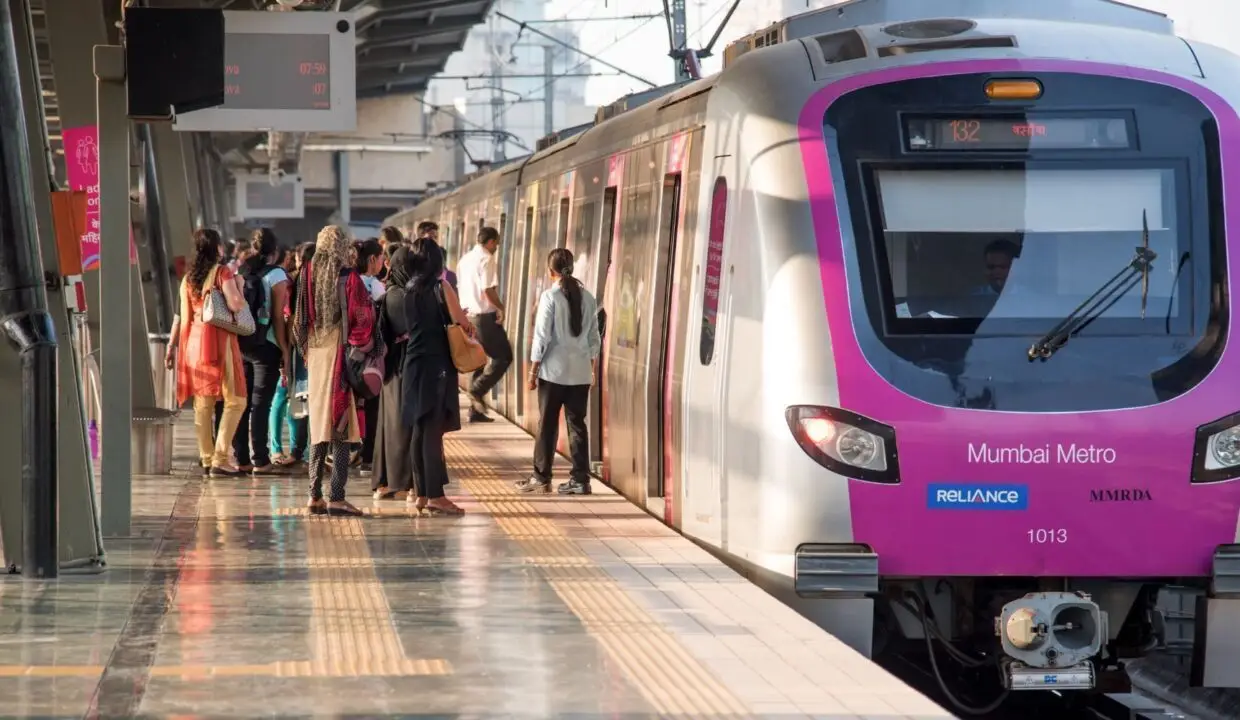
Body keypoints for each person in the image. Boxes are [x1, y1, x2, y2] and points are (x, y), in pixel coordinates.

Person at [291, 225, 372, 517]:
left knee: (318, 425)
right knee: (340, 427)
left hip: (315, 353)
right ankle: (337, 497)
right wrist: (359, 352)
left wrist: (306, 353)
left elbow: (298, 322)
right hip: (340, 356)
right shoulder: (349, 277)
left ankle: (314, 496)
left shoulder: (306, 273)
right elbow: (364, 318)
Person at [515, 248, 601, 495]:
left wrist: (533, 371)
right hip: (580, 373)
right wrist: (591, 370)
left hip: (553, 373)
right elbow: (595, 339)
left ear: (550, 270)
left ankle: (541, 478)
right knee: (577, 425)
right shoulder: (589, 297)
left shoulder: (549, 297)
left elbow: (542, 337)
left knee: (547, 425)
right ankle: (580, 480)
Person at [165, 228, 248, 477]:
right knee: (236, 400)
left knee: (203, 404)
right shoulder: (223, 273)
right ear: (217, 248)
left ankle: (207, 456)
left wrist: (172, 346)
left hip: (194, 343)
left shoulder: (188, 278)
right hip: (219, 341)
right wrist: (240, 287)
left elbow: (181, 316)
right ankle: (220, 457)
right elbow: (235, 305)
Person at [402, 237, 473, 515]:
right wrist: (465, 321)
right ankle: (436, 496)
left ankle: (421, 494)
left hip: (413, 364)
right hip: (436, 365)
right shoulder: (440, 286)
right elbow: (460, 322)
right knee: (432, 431)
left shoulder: (407, 289)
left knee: (419, 430)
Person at [234, 228, 291, 475]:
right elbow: (278, 318)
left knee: (242, 403)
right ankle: (260, 459)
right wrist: (286, 351)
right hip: (266, 345)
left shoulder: (242, 270)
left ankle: (242, 458)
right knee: (261, 404)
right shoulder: (277, 274)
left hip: (242, 342)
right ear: (275, 251)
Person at [456, 225, 512, 422]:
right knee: (503, 357)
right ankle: (477, 390)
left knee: (479, 360)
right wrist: (501, 307)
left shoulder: (465, 260)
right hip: (484, 318)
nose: (496, 246)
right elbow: (488, 290)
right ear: (490, 242)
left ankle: (476, 411)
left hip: (469, 316)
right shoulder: (487, 259)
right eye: (496, 243)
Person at [372, 246, 415, 500]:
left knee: (387, 424)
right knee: (407, 426)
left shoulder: (386, 297)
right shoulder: (413, 297)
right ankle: (405, 485)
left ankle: (383, 483)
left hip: (388, 369)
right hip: (410, 365)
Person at [272, 242, 314, 470]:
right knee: (302, 399)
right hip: (306, 349)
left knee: (297, 399)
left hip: (294, 348)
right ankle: (301, 451)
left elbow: (285, 318)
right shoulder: (305, 282)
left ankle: (292, 450)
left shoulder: (292, 281)